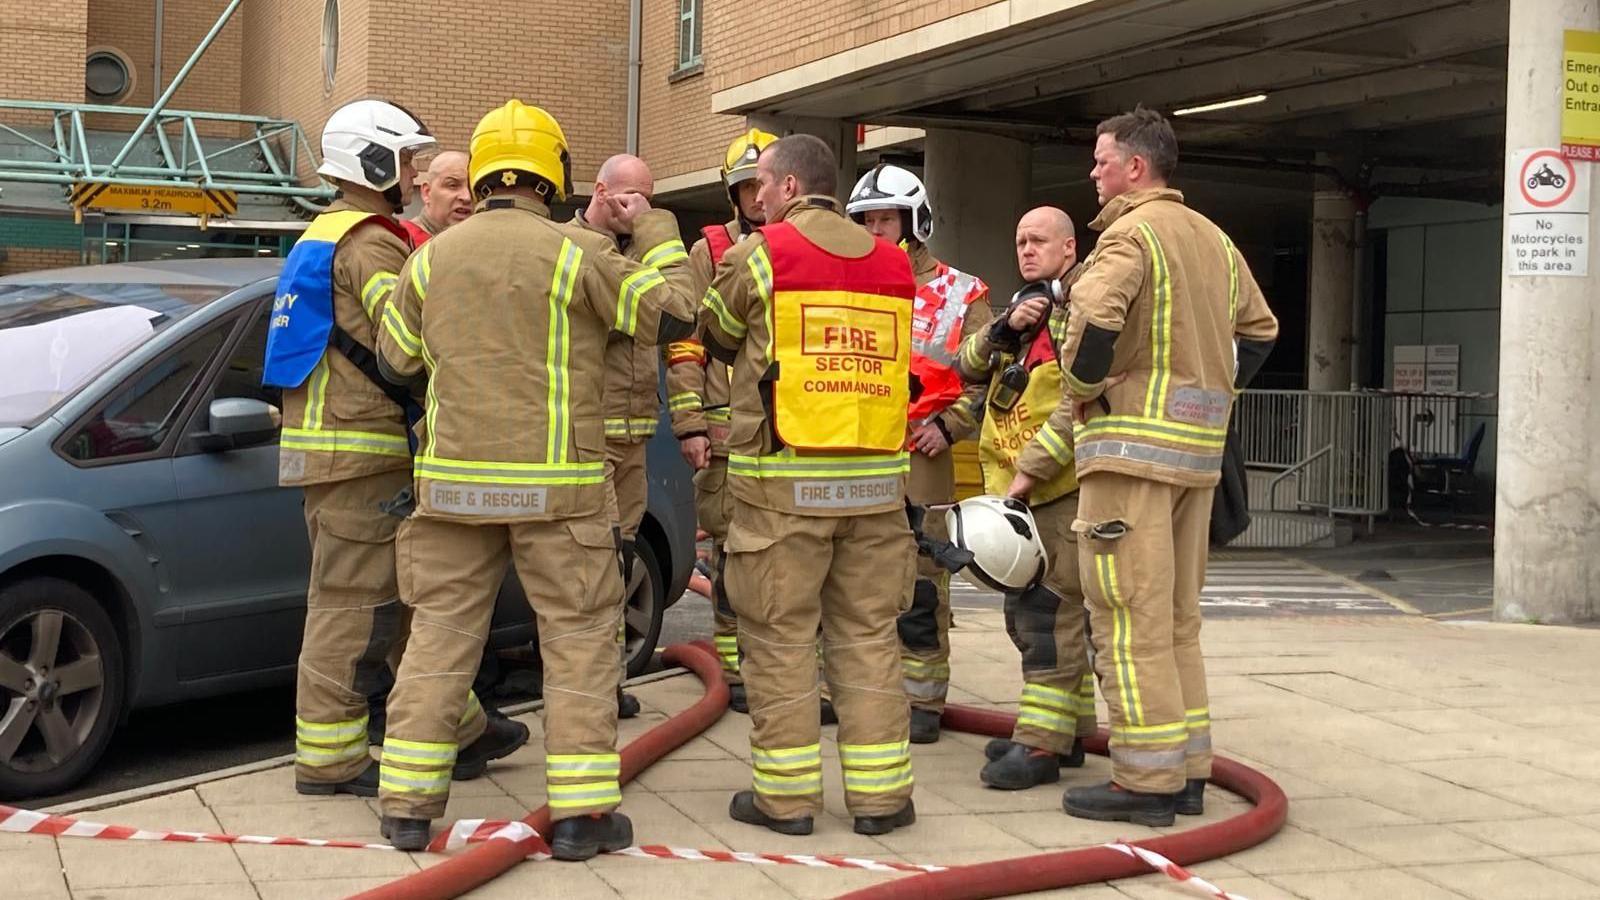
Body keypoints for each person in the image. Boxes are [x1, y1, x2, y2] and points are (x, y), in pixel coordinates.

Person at [371, 100, 696, 856]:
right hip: (563, 492)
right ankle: (582, 818)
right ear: (556, 176)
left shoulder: (427, 258)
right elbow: (678, 312)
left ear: (482, 174)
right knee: (580, 641)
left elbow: (395, 363)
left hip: (451, 492)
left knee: (439, 643)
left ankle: (407, 810)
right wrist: (651, 225)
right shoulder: (579, 256)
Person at [262, 98, 525, 802]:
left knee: (409, 597)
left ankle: (461, 727)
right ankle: (331, 758)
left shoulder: (321, 232)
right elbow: (403, 339)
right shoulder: (370, 241)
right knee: (353, 610)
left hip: (343, 449)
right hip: (360, 452)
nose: (412, 178)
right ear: (371, 160)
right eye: (407, 162)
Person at [1046, 107, 1278, 826]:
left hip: (1128, 460)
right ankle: (1189, 772)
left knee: (1126, 622)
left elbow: (1092, 327)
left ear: (1135, 169)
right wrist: (1216, 394)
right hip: (1198, 462)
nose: (1093, 172)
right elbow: (1261, 330)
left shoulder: (1127, 235)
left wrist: (1084, 394)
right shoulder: (1214, 238)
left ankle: (1145, 786)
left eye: (1101, 160)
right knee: (1177, 623)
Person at [700, 134, 918, 838]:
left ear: (791, 187)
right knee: (868, 636)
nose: (756, 198)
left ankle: (788, 802)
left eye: (763, 184)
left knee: (780, 641)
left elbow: (717, 335)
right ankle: (883, 801)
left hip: (782, 490)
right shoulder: (892, 261)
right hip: (876, 491)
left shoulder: (760, 254)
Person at [951, 206, 1099, 790]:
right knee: (1037, 614)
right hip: (1020, 494)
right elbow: (964, 367)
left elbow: (1076, 405)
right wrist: (1004, 329)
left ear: (1069, 249)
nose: (1027, 250)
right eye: (1020, 241)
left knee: (1049, 616)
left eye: (1039, 240)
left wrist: (1029, 473)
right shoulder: (1024, 311)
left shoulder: (1082, 310)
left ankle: (1039, 748)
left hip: (1058, 491)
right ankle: (1069, 734)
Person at [846, 164, 991, 745]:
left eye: (887, 218)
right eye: (868, 219)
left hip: (925, 452)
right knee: (856, 581)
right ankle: (859, 693)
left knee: (924, 584)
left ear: (916, 220)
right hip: (860, 453)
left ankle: (924, 701)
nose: (878, 229)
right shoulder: (848, 285)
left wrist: (950, 425)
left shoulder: (962, 292)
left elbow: (988, 373)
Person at [663, 128, 777, 713]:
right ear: (732, 195)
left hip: (788, 438)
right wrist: (690, 425)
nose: (758, 196)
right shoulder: (711, 252)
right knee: (731, 554)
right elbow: (689, 344)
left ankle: (779, 663)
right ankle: (733, 666)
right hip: (729, 437)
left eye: (765, 184)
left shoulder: (797, 248)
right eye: (746, 187)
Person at [574, 153, 664, 722]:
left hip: (634, 437)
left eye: (649, 198)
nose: (642, 208)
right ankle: (590, 686)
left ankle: (609, 681)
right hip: (590, 436)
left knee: (623, 560)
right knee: (596, 563)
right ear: (602, 191)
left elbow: (681, 320)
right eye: (633, 196)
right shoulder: (575, 250)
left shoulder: (638, 256)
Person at [400, 150, 473, 246]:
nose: (467, 197)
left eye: (472, 187)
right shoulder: (401, 239)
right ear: (427, 192)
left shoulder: (480, 243)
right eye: (453, 185)